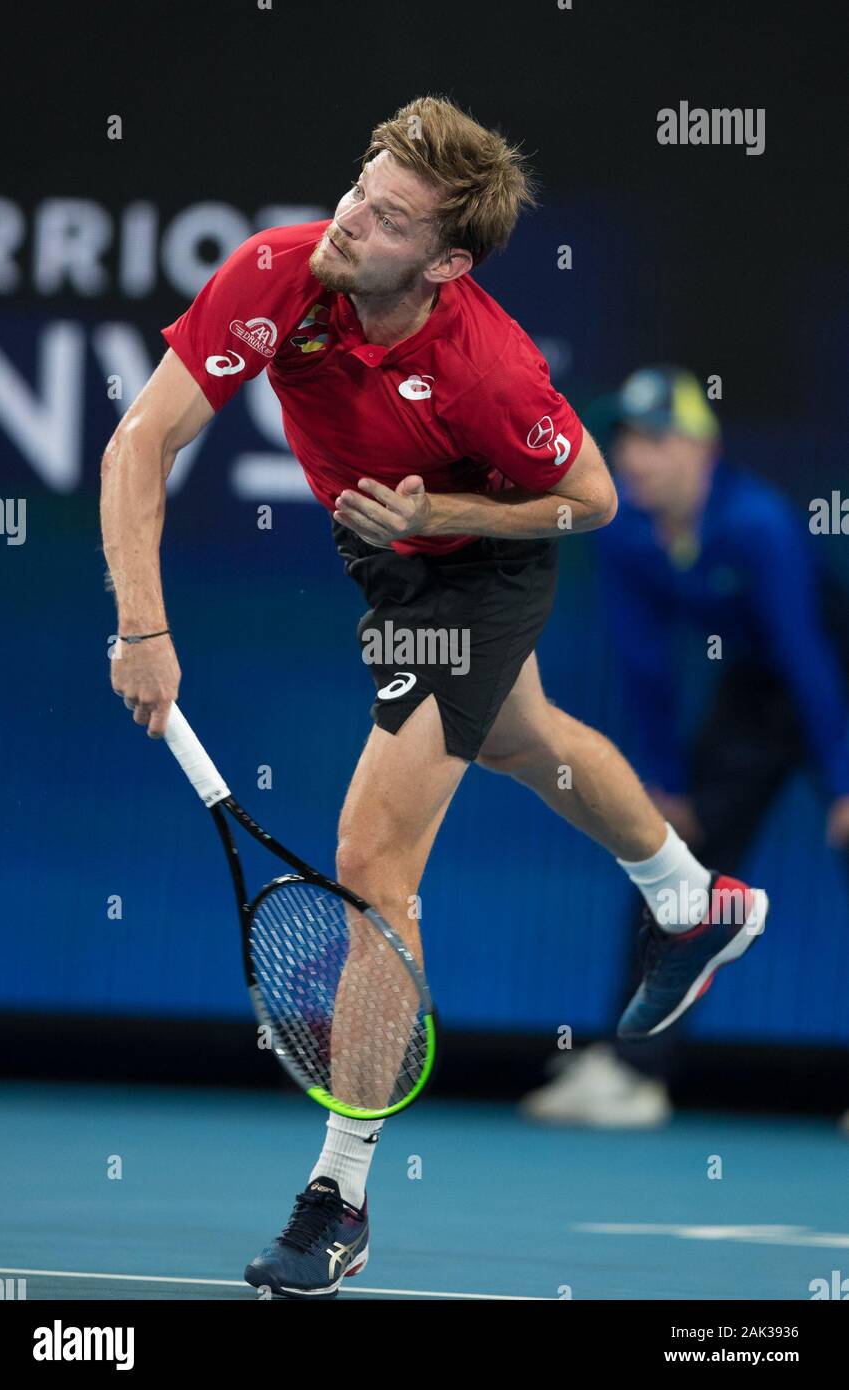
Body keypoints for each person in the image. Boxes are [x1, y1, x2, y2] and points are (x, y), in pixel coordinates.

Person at [101, 100, 766, 1299]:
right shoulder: (278, 273)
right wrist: (142, 625)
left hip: (476, 565)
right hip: (389, 562)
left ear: (446, 259)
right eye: (360, 185)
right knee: (525, 738)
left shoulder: (485, 363)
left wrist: (438, 513)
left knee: (371, 861)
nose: (353, 217)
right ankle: (690, 896)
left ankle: (338, 1197)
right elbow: (138, 445)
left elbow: (594, 500)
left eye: (390, 216)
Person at [521, 366, 849, 1128]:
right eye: (626, 440)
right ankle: (635, 1072)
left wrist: (842, 782)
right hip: (753, 698)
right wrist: (665, 783)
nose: (633, 458)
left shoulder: (757, 521)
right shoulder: (628, 533)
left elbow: (808, 657)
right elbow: (645, 670)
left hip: (831, 680)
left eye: (654, 440)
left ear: (703, 450)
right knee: (673, 857)